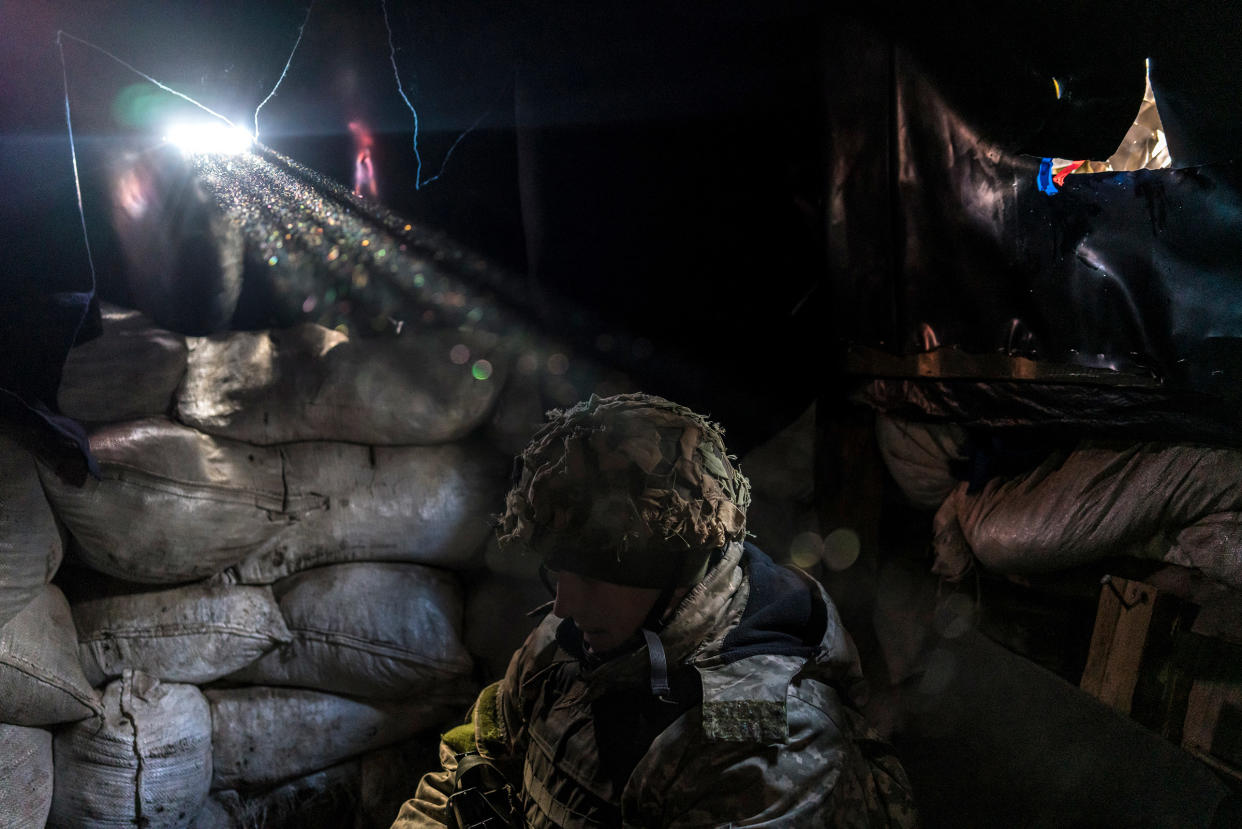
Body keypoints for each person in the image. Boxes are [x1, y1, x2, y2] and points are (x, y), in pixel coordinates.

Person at [391, 393, 918, 828]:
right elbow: (474, 762)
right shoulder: (577, 636)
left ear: (677, 571)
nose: (565, 605)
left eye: (595, 579)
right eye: (559, 573)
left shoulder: (761, 742)